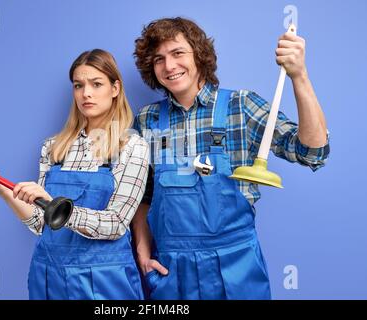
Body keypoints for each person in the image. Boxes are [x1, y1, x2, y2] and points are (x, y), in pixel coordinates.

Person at [131, 17, 329, 300]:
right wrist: (142, 250)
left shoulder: (241, 106)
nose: (169, 66)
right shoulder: (147, 119)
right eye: (159, 59)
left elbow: (313, 152)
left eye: (178, 53)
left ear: (199, 54)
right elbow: (143, 195)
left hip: (235, 268)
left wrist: (300, 76)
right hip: (171, 272)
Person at [0, 49, 149, 300]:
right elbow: (39, 224)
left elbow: (116, 224)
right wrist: (1, 190)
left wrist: (56, 207)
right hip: (49, 275)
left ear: (115, 88)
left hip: (104, 278)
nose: (86, 93)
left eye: (96, 84)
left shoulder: (131, 146)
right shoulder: (54, 147)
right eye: (78, 85)